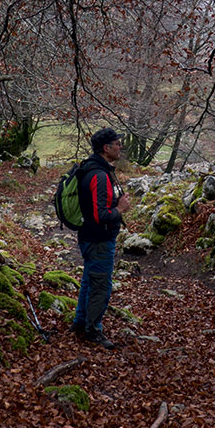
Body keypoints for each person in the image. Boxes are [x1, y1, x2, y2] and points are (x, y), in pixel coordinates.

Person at [71, 127, 130, 349]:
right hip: (99, 240)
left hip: (89, 237)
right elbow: (100, 215)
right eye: (117, 143)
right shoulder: (99, 175)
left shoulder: (92, 168)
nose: (120, 146)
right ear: (106, 148)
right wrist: (120, 209)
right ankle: (93, 330)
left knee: (88, 281)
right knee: (100, 286)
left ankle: (80, 322)